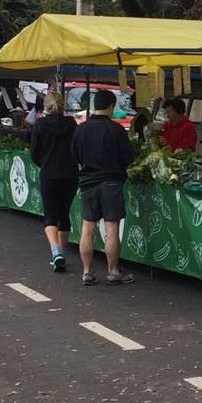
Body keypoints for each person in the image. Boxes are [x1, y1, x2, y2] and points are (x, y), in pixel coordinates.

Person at [71, 89, 136, 286]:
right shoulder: (116, 130)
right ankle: (113, 272)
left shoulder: (80, 129)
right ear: (111, 106)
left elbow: (75, 157)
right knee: (111, 228)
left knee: (87, 228)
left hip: (88, 182)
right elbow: (128, 158)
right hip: (111, 183)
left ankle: (87, 273)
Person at [31, 93, 79, 273]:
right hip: (70, 174)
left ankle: (56, 253)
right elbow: (76, 148)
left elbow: (34, 153)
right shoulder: (71, 124)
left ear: (46, 106)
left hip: (49, 174)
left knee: (50, 216)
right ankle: (62, 254)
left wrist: (43, 164)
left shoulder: (40, 125)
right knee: (64, 214)